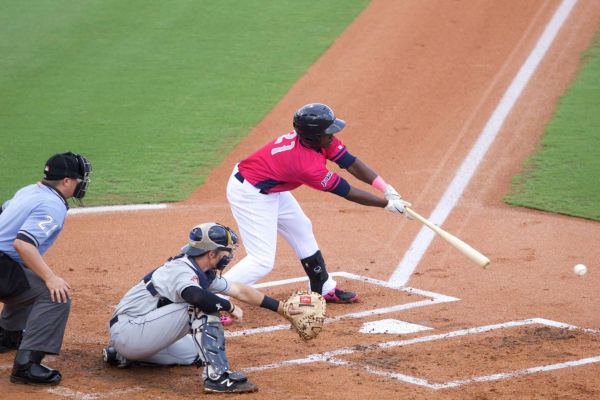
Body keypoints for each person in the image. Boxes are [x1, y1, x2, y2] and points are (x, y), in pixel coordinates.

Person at [223, 103, 410, 311]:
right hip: (250, 193)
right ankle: (211, 297)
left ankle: (322, 286)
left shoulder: (317, 139)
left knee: (301, 227)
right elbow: (347, 191)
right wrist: (386, 205)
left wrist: (386, 188)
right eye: (328, 132)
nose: (332, 136)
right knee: (261, 261)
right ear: (313, 136)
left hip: (270, 186)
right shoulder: (306, 165)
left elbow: (350, 162)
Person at [102, 222, 301, 394]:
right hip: (129, 330)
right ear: (212, 253)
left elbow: (240, 290)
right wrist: (229, 306)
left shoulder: (202, 271)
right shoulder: (181, 269)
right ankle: (217, 378)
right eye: (227, 251)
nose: (230, 255)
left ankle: (122, 356)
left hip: (138, 337)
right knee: (200, 306)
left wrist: (281, 308)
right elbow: (196, 296)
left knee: (198, 351)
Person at [0, 152, 92, 385]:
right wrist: (51, 278)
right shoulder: (52, 205)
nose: (82, 184)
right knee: (55, 294)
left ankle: (7, 337)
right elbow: (23, 244)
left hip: (5, 264)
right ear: (66, 181)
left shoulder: (30, 190)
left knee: (26, 273)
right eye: (79, 180)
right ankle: (26, 366)